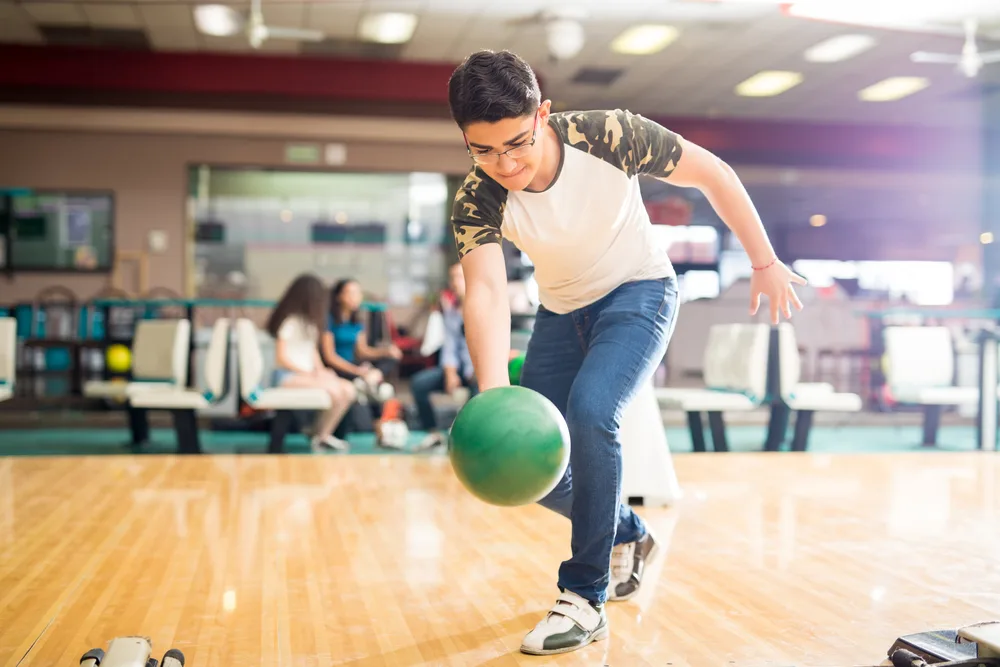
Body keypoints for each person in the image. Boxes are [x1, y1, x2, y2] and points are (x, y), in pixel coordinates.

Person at [447, 50, 806, 656]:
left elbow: (714, 172)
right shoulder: (477, 198)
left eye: (517, 143)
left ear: (543, 115)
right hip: (560, 312)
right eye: (484, 150)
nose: (505, 163)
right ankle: (630, 532)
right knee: (533, 467)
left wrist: (764, 262)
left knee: (592, 411)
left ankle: (584, 597)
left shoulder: (608, 134)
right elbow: (482, 291)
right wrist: (492, 400)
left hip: (639, 293)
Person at [266, 274, 355, 452]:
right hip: (287, 376)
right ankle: (316, 433)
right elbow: (281, 358)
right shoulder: (290, 322)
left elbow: (311, 351)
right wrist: (308, 373)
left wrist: (321, 371)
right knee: (335, 390)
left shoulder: (310, 323)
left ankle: (321, 435)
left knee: (348, 389)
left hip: (306, 375)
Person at [320, 278, 405, 448]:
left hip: (356, 368)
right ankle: (380, 431)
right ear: (338, 296)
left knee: (390, 359)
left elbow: (363, 351)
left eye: (358, 293)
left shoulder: (356, 322)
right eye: (350, 293)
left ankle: (374, 377)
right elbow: (329, 357)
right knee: (371, 386)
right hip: (335, 369)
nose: (355, 297)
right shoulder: (328, 320)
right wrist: (359, 371)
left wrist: (386, 351)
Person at [411, 262, 479, 450]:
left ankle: (467, 438)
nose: (454, 282)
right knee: (419, 384)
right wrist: (450, 373)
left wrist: (476, 369)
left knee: (478, 392)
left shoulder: (483, 308)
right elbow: (449, 346)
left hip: (478, 369)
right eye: (452, 277)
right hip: (458, 370)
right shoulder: (451, 310)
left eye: (459, 277)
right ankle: (432, 433)